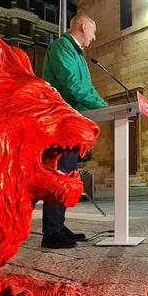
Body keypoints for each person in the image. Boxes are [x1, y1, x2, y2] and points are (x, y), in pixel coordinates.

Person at [41, 13, 107, 248]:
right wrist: (104, 106)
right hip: (59, 121)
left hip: (72, 121)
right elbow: (73, 85)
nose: (94, 36)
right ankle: (51, 232)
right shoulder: (62, 48)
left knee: (67, 173)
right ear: (83, 26)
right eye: (94, 31)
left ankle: (58, 225)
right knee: (58, 173)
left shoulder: (77, 52)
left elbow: (84, 87)